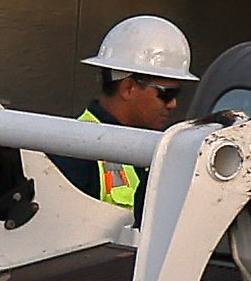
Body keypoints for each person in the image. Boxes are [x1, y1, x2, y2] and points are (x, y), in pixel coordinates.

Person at [73, 13, 193, 211]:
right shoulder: (77, 153)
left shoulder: (152, 149)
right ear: (128, 88)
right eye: (167, 94)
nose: (173, 104)